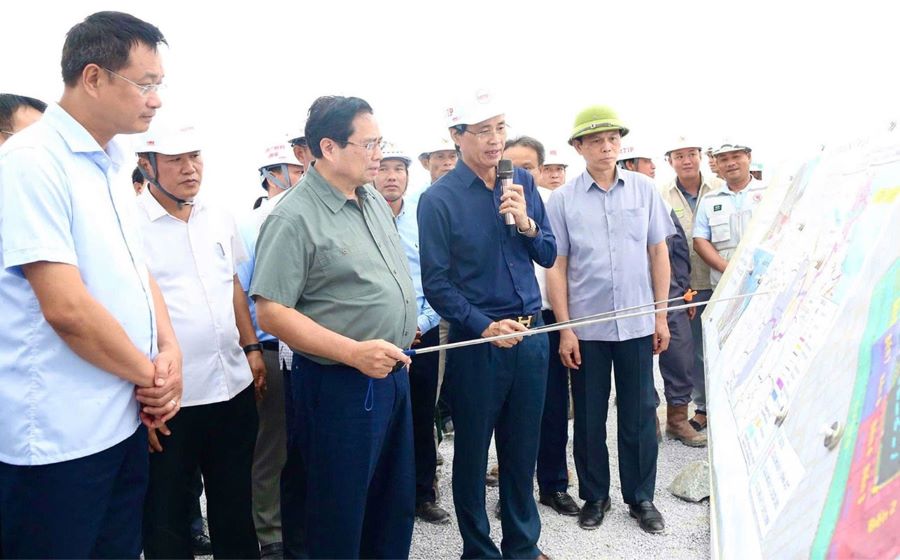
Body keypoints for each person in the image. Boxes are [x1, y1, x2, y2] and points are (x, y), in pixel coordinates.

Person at [0, 12, 181, 558]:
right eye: (144, 84)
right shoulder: (32, 162)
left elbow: (135, 269)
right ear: (94, 77)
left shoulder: (111, 162)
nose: (156, 99)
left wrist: (168, 351)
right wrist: (151, 376)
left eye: (159, 85)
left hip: (120, 420)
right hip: (58, 437)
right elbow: (67, 309)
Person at [251, 95, 417, 559]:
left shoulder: (371, 201)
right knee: (336, 510)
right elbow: (272, 312)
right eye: (368, 144)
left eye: (379, 143)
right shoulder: (293, 216)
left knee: (391, 502)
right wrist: (351, 352)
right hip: (340, 383)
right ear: (328, 146)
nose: (378, 155)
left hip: (391, 374)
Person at [419, 90, 556, 559]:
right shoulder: (438, 200)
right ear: (457, 136)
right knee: (473, 453)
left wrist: (525, 222)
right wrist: (482, 326)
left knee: (522, 451)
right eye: (483, 131)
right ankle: (478, 549)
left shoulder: (521, 183)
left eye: (500, 127)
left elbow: (549, 252)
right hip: (477, 344)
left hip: (532, 335)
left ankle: (523, 545)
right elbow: (437, 284)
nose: (496, 140)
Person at [135, 123, 263, 559]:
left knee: (234, 504)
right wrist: (142, 397)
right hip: (171, 399)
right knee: (166, 514)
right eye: (175, 160)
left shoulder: (218, 215)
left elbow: (232, 288)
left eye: (195, 157)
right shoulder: (129, 227)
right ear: (146, 165)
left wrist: (251, 349)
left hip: (232, 386)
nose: (190, 169)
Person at [546, 105, 673, 534]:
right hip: (587, 328)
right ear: (578, 147)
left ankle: (641, 498)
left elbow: (659, 253)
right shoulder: (563, 200)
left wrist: (661, 316)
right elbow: (557, 266)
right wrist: (565, 328)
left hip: (638, 324)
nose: (606, 147)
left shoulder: (644, 190)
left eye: (613, 138)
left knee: (639, 413)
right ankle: (594, 496)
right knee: (588, 415)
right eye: (596, 140)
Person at [372, 144, 449, 525]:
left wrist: (423, 322)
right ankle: (383, 497)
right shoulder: (362, 216)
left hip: (423, 333)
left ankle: (423, 492)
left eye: (398, 169)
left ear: (407, 174)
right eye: (383, 168)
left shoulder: (423, 216)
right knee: (378, 417)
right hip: (375, 338)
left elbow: (439, 277)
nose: (390, 176)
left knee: (420, 413)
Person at [504, 135, 579, 516]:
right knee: (508, 411)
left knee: (550, 406)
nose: (518, 174)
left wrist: (565, 326)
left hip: (544, 317)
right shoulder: (492, 203)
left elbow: (556, 266)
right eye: (511, 165)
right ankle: (511, 490)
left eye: (527, 166)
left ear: (539, 168)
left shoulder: (551, 204)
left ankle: (553, 484)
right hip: (502, 320)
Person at [237, 139, 305, 559]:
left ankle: (297, 520)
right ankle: (269, 532)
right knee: (272, 444)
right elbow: (242, 294)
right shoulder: (251, 224)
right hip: (271, 345)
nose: (301, 176)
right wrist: (253, 351)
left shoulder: (307, 217)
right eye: (293, 170)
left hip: (312, 348)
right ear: (271, 174)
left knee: (305, 441)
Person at [660, 136, 723, 435]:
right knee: (693, 352)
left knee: (727, 347)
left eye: (691, 154)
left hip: (723, 281)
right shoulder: (662, 195)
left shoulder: (719, 188)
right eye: (679, 155)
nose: (686, 160)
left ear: (700, 156)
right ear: (669, 161)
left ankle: (727, 407)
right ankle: (702, 408)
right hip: (690, 287)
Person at [693, 142, 767, 289]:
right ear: (717, 163)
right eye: (724, 159)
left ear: (749, 157)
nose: (731, 163)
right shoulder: (709, 200)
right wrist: (728, 270)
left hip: (764, 279)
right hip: (725, 284)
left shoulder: (769, 191)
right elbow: (700, 241)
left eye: (736, 156)